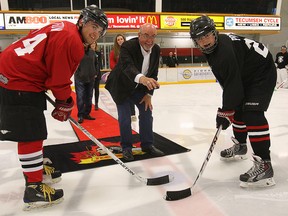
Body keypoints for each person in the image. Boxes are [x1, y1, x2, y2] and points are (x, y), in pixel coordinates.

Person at [0, 5, 108, 210]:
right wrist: (65, 101)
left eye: (100, 31)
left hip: (17, 74)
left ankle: (36, 168)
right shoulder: (73, 41)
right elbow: (58, 80)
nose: (96, 33)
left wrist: (63, 100)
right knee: (31, 133)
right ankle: (33, 188)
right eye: (94, 26)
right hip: (18, 79)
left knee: (34, 131)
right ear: (82, 21)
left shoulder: (66, 28)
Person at [190, 15, 276, 188]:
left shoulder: (224, 51)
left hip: (261, 72)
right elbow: (229, 83)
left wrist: (225, 110)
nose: (204, 41)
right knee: (237, 108)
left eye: (207, 35)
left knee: (252, 114)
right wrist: (228, 109)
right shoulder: (212, 50)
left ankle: (265, 165)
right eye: (200, 38)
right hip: (246, 73)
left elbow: (232, 84)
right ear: (195, 42)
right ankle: (241, 145)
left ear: (214, 33)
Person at [105, 23, 164, 161]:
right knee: (125, 118)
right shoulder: (128, 46)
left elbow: (154, 73)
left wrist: (149, 94)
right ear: (139, 35)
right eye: (146, 36)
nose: (150, 40)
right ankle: (126, 148)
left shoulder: (156, 49)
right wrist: (142, 78)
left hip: (139, 89)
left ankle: (147, 145)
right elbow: (127, 67)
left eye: (153, 36)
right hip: (121, 87)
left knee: (146, 113)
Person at [109, 34, 137, 122]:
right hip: (119, 77)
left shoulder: (129, 50)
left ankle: (132, 114)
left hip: (129, 77)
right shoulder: (114, 52)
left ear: (124, 40)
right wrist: (118, 69)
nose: (120, 40)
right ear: (116, 42)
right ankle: (123, 115)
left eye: (121, 39)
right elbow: (111, 64)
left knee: (130, 94)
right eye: (118, 39)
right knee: (121, 96)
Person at [74, 41, 99, 123]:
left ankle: (86, 113)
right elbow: (74, 65)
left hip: (90, 78)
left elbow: (96, 64)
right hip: (80, 79)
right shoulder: (77, 52)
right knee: (80, 97)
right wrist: (78, 74)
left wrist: (95, 73)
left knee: (89, 97)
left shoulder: (92, 52)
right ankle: (80, 115)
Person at [92, 42, 102, 110]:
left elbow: (99, 64)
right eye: (92, 44)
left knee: (96, 89)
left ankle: (96, 103)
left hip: (97, 74)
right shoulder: (87, 53)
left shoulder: (98, 53)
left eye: (94, 44)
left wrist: (96, 73)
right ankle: (88, 103)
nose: (93, 45)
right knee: (89, 90)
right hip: (89, 75)